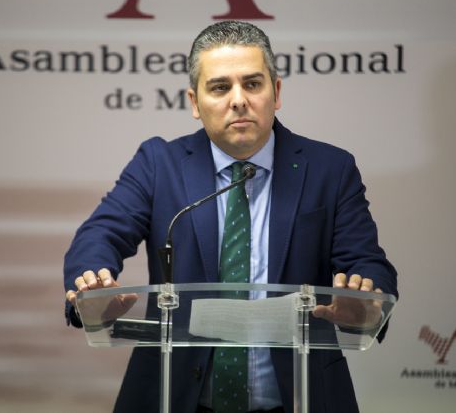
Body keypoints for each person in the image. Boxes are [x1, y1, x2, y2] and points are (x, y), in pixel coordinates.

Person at [64, 20, 398, 413]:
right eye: (220, 87)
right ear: (194, 102)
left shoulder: (330, 169)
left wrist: (365, 299)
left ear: (276, 92)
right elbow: (100, 234)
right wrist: (93, 281)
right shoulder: (159, 164)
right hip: (175, 397)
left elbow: (366, 262)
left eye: (252, 84)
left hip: (300, 398)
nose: (238, 100)